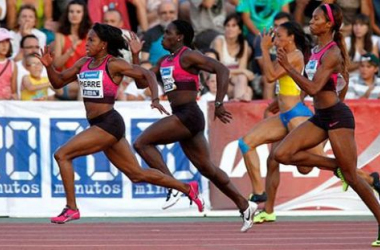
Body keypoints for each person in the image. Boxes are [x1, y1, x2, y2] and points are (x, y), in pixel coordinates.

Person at [36, 22, 204, 224]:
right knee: (137, 174)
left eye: (92, 40)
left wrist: (155, 98)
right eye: (87, 39)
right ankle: (187, 188)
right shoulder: (83, 63)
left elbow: (147, 75)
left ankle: (71, 208)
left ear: (104, 44)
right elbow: (58, 82)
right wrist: (48, 66)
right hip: (100, 124)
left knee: (62, 154)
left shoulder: (113, 64)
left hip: (109, 124)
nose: (87, 43)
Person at [131, 20, 257, 232]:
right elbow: (141, 82)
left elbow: (222, 70)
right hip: (184, 116)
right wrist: (135, 56)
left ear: (179, 37)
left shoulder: (188, 56)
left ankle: (173, 187)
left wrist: (219, 103)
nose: (163, 36)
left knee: (142, 143)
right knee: (208, 169)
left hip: (189, 114)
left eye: (168, 33)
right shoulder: (164, 61)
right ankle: (245, 205)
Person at [275, 3, 380, 246]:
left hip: (336, 117)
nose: (311, 22)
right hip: (321, 116)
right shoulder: (316, 50)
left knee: (354, 179)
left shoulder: (332, 53)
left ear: (329, 24)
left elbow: (313, 87)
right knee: (282, 153)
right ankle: (339, 167)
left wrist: (289, 68)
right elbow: (332, 85)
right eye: (311, 18)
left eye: (315, 19)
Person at [238, 21, 324, 223]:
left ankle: (366, 179)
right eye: (273, 36)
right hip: (285, 116)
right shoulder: (284, 56)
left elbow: (269, 77)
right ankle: (261, 197)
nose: (274, 40)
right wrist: (273, 106)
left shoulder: (295, 56)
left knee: (309, 167)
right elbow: (285, 87)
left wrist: (264, 50)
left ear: (291, 37)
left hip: (297, 116)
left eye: (278, 36)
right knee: (247, 144)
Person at [0, 27, 17, 100]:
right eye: (1, 42)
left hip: (7, 103)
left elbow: (13, 91)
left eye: (7, 41)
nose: (4, 45)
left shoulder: (12, 64)